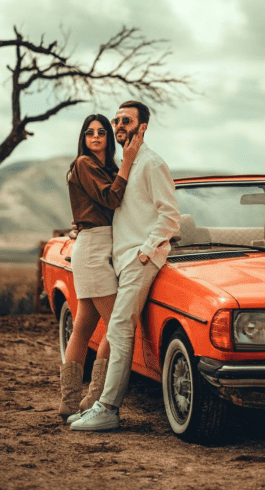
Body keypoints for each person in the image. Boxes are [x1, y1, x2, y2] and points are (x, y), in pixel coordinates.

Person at [70, 100, 180, 431]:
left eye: (126, 121)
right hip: (120, 258)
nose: (119, 125)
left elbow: (170, 215)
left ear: (142, 126)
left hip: (137, 258)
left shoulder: (151, 164)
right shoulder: (128, 165)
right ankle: (94, 405)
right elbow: (115, 206)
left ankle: (107, 408)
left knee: (117, 327)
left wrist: (146, 251)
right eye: (117, 120)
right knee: (109, 327)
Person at [59, 113, 143, 422]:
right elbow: (110, 199)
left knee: (83, 327)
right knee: (118, 327)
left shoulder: (103, 167)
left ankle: (70, 401)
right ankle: (94, 398)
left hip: (102, 245)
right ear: (83, 137)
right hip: (94, 248)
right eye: (89, 132)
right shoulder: (83, 163)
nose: (95, 136)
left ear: (108, 137)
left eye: (101, 132)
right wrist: (128, 160)